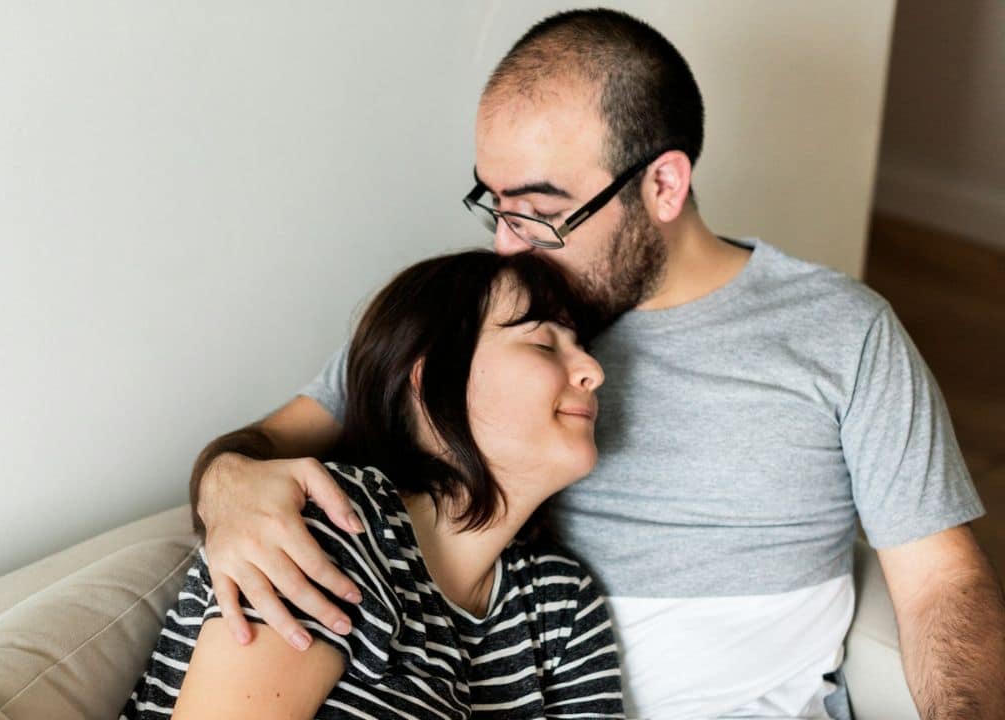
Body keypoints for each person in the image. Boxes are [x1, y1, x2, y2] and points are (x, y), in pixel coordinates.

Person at [187, 8, 1005, 720]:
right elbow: (262, 448)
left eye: (540, 212)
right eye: (495, 204)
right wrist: (225, 484)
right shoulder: (486, 323)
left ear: (664, 185)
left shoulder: (843, 333)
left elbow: (941, 584)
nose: (508, 244)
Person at [122, 251, 624, 719]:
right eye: (542, 343)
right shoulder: (334, 520)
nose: (593, 371)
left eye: (580, 347)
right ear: (431, 383)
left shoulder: (560, 601)